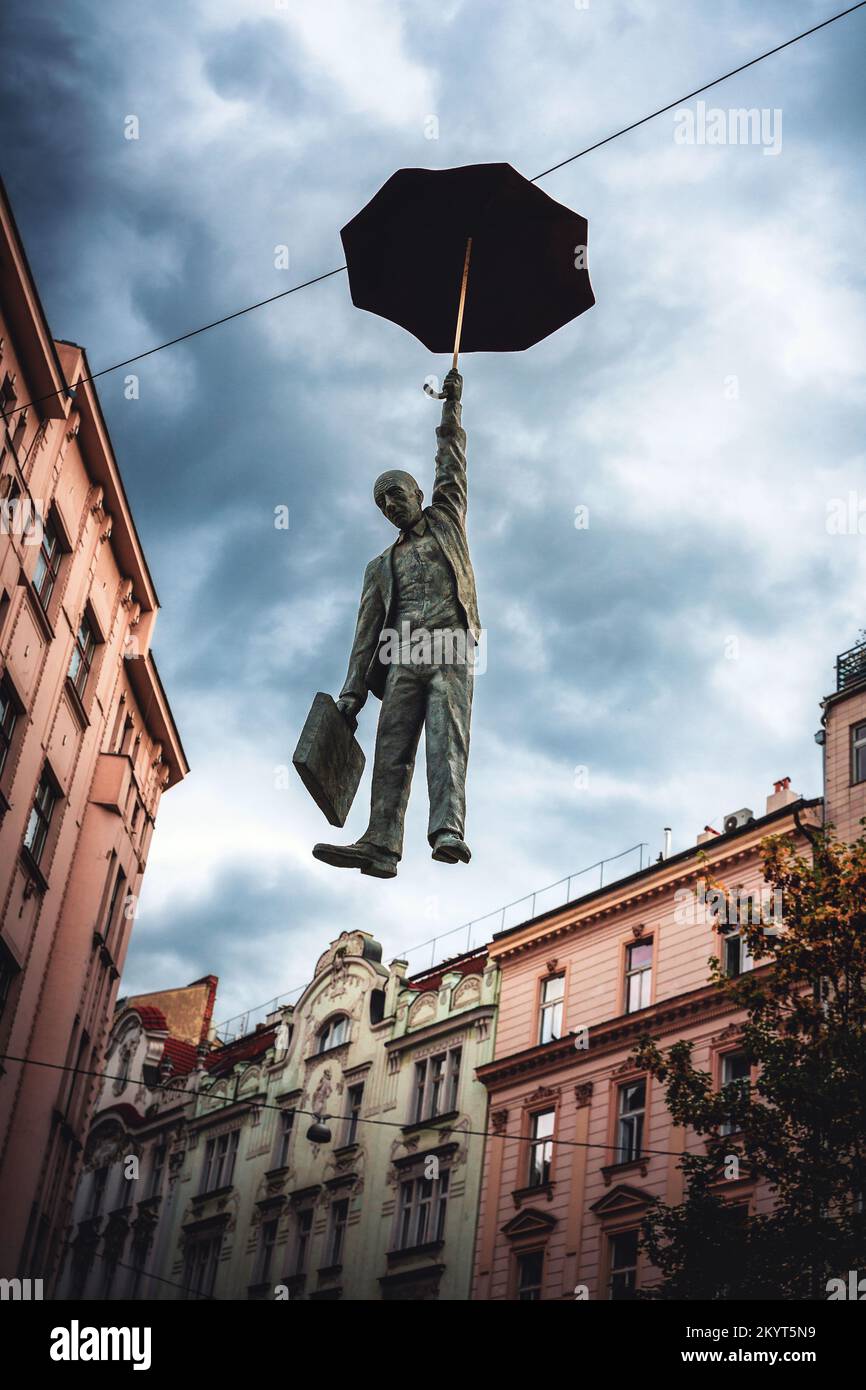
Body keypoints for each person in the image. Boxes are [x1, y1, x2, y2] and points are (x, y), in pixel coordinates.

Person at [313, 368, 479, 879]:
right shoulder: (378, 567)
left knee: (446, 739)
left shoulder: (446, 519)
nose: (389, 505)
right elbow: (364, 639)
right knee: (391, 751)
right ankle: (381, 844)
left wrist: (450, 409)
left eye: (395, 493)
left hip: (449, 646)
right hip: (401, 657)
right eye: (380, 501)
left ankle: (447, 829)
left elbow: (451, 463)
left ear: (416, 493)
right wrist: (350, 695)